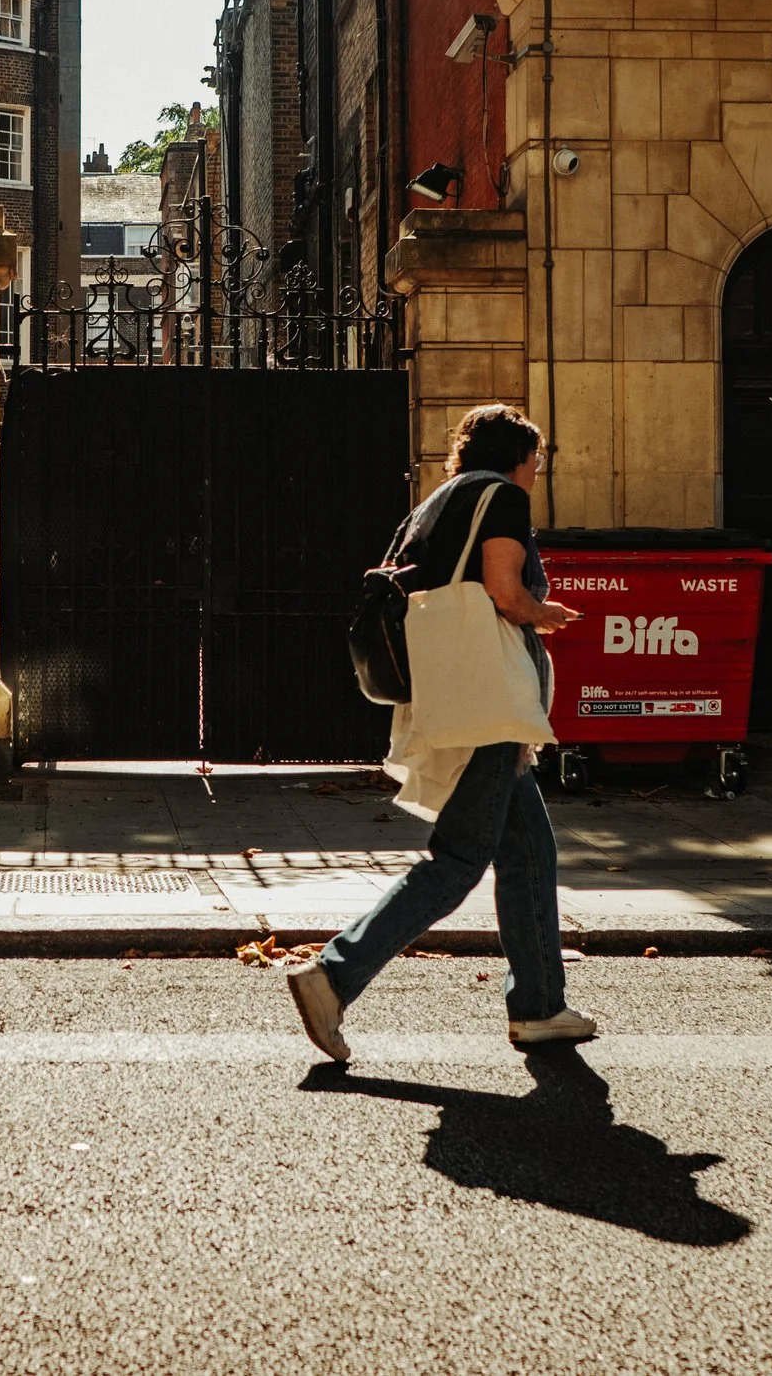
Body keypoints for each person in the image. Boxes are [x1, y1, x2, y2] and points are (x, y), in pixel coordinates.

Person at [285, 403, 595, 1062]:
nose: (538, 473)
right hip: (486, 699)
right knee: (457, 859)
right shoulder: (502, 497)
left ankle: (540, 1005)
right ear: (518, 456)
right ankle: (334, 976)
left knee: (529, 852)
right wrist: (547, 613)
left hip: (452, 691)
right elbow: (505, 592)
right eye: (537, 460)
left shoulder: (437, 504)